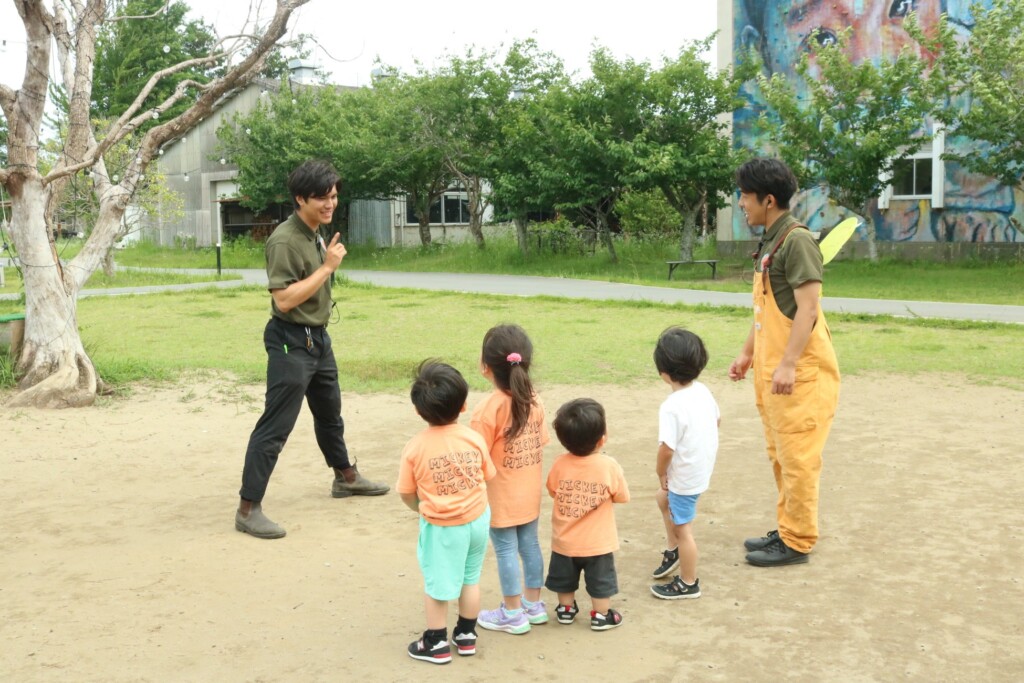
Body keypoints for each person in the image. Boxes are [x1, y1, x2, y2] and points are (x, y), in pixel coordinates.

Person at [234, 160, 389, 540]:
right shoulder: (285, 240)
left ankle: (346, 477)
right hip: (291, 340)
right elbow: (284, 299)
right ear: (300, 198)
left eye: (334, 196)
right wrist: (327, 268)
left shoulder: (315, 232)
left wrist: (325, 263)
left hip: (317, 339)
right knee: (276, 426)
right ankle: (247, 509)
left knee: (330, 413)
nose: (330, 203)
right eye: (321, 197)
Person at [728, 158, 841, 567]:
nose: (741, 203)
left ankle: (798, 540)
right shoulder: (772, 240)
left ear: (768, 199)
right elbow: (767, 310)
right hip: (773, 373)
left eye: (745, 195)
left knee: (798, 460)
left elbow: (808, 310)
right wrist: (747, 353)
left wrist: (789, 363)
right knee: (781, 455)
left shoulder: (797, 241)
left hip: (799, 377)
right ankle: (787, 524)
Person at [396, 360, 496, 665]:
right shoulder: (473, 438)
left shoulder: (415, 448)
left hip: (442, 527)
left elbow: (405, 492)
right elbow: (488, 475)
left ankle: (436, 642)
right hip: (478, 519)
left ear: (418, 410)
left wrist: (421, 508)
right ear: (464, 405)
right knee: (469, 578)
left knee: (438, 585)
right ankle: (466, 635)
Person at [470, 324, 551, 635]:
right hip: (529, 494)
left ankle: (513, 612)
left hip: (501, 497)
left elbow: (477, 458)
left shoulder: (487, 410)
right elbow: (540, 441)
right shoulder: (535, 400)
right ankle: (533, 604)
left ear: (486, 366)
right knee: (530, 545)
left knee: (505, 550)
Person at [545, 398, 630, 631]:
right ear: (602, 438)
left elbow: (553, 490)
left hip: (564, 540)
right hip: (597, 544)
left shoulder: (560, 464)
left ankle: (565, 609)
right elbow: (622, 496)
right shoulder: (608, 465)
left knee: (564, 579)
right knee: (600, 582)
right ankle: (602, 615)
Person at [649, 327, 720, 600]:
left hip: (684, 476)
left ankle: (689, 582)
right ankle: (674, 549)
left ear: (663, 373)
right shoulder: (702, 390)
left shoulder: (672, 406)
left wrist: (660, 472)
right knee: (662, 499)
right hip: (700, 468)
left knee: (683, 527)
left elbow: (666, 449)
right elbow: (717, 420)